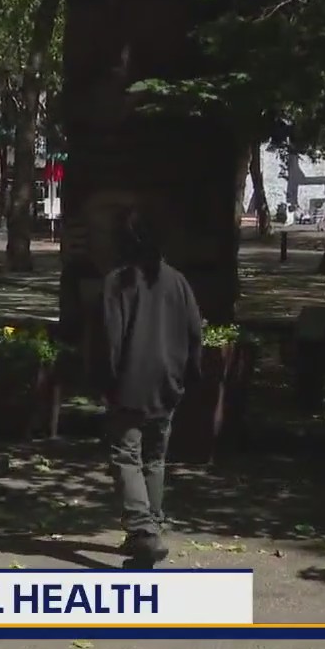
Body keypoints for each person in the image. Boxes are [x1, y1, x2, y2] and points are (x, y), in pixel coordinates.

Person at [95, 208, 202, 568]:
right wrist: (189, 377)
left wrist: (104, 381)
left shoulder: (118, 282)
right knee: (155, 458)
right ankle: (150, 527)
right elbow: (194, 334)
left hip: (129, 384)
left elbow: (109, 339)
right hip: (167, 384)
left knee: (127, 456)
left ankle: (142, 531)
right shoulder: (178, 281)